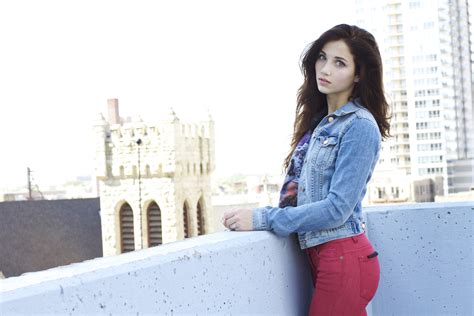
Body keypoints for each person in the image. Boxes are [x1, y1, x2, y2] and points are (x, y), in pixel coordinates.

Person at [222, 24, 390, 315]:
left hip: (344, 259)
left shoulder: (359, 125)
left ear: (359, 74)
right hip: (325, 257)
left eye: (340, 63)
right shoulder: (321, 123)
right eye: (322, 57)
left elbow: (338, 208)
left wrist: (262, 218)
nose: (324, 68)